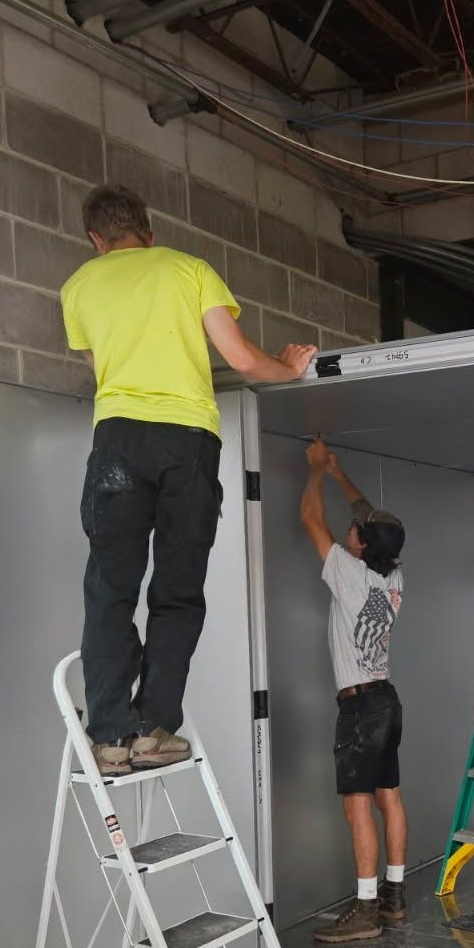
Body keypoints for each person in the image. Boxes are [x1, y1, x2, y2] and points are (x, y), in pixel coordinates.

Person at [61, 183, 317, 775]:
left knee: (111, 589)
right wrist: (289, 368)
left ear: (97, 240)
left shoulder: (79, 286)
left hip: (119, 440)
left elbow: (104, 371)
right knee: (177, 590)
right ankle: (154, 728)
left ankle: (107, 735)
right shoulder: (188, 269)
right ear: (149, 232)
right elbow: (243, 359)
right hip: (187, 442)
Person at [299, 439, 408, 945]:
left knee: (357, 804)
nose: (348, 531)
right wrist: (342, 473)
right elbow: (365, 514)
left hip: (361, 704)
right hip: (386, 698)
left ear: (360, 544)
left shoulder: (348, 571)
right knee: (388, 795)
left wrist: (317, 472)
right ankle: (394, 895)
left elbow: (308, 518)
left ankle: (365, 908)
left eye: (353, 533)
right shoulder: (392, 575)